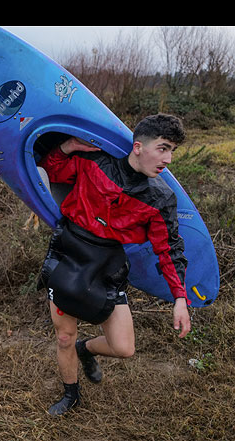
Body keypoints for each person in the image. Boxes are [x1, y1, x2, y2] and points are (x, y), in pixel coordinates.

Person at [36, 113, 191, 416]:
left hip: (107, 262)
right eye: (163, 148)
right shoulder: (95, 162)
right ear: (138, 147)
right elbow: (50, 172)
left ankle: (87, 348)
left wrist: (180, 297)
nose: (169, 158)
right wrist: (67, 146)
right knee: (64, 335)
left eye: (172, 150)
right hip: (70, 250)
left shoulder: (160, 198)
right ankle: (71, 394)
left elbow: (168, 249)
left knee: (124, 348)